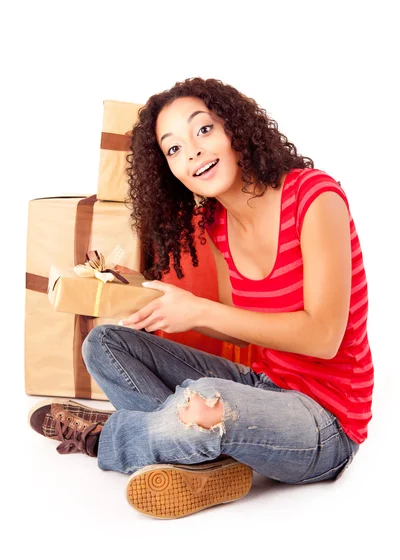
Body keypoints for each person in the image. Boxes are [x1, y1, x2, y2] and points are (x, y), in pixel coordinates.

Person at [29, 77, 373, 520]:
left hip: (326, 421)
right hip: (263, 385)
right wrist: (158, 302)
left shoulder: (314, 196)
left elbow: (325, 337)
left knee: (204, 398)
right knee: (105, 344)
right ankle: (206, 456)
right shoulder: (217, 223)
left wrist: (199, 310)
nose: (190, 152)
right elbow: (236, 320)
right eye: (173, 149)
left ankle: (108, 435)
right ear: (170, 170)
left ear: (235, 129)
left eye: (203, 130)